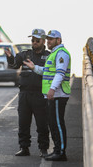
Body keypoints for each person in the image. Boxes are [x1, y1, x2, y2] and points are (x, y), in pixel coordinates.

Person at [23, 30, 71, 161]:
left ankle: (61, 152)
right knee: (53, 124)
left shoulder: (61, 54)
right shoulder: (54, 54)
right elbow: (47, 71)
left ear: (58, 40)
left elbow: (60, 73)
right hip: (53, 95)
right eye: (48, 39)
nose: (48, 41)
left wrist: (52, 89)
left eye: (51, 39)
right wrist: (35, 68)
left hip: (58, 94)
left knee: (57, 124)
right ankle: (57, 150)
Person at [4, 29, 50, 157]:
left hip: (40, 95)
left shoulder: (49, 56)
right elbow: (14, 65)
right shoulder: (24, 55)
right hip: (25, 94)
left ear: (43, 41)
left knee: (42, 124)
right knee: (23, 123)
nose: (34, 42)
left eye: (37, 40)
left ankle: (44, 149)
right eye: (32, 40)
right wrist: (9, 57)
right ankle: (24, 148)